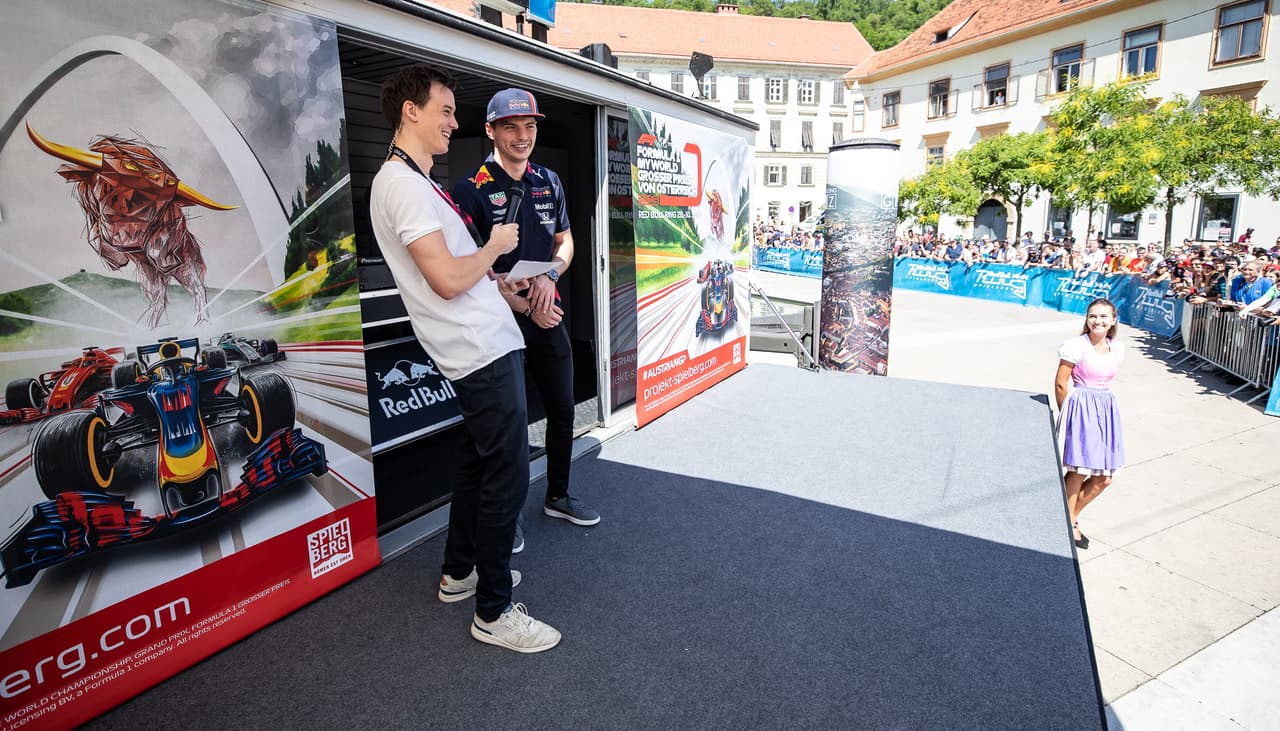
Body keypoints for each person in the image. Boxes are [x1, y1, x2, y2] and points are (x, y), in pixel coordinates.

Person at [369, 65, 560, 653]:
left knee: (479, 465)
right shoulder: (401, 186)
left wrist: (502, 285)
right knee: (508, 474)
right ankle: (494, 612)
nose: (455, 123)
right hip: (478, 350)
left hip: (486, 339)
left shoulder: (416, 181)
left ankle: (459, 574)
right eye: (446, 111)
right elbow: (448, 280)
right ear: (412, 111)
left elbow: (460, 274)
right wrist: (495, 247)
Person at [452, 88, 601, 558]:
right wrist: (520, 302)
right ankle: (507, 518)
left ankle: (558, 494)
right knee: (510, 426)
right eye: (511, 127)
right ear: (491, 130)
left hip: (546, 312)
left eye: (530, 126)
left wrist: (549, 276)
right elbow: (468, 270)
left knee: (562, 409)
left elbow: (566, 242)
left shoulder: (548, 180)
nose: (523, 135)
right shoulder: (470, 189)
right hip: (498, 325)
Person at [1054, 298, 1125, 550]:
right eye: (1093, 316)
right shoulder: (1076, 346)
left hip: (1106, 409)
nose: (1098, 321)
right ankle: (1068, 523)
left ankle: (1069, 516)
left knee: (1104, 477)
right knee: (1079, 470)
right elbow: (1061, 383)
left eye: (1104, 316)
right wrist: (1070, 416)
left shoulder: (1117, 348)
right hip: (1080, 408)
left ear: (1113, 320)